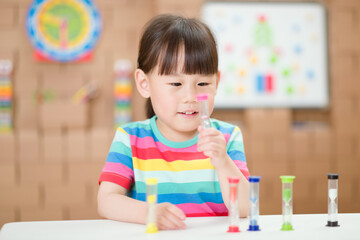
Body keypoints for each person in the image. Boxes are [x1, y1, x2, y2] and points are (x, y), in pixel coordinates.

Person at [97, 14, 250, 231]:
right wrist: (149, 213)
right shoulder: (130, 139)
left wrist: (223, 161)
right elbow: (106, 201)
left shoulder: (227, 137)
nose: (190, 96)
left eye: (203, 83)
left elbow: (244, 209)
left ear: (217, 82)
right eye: (176, 83)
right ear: (144, 83)